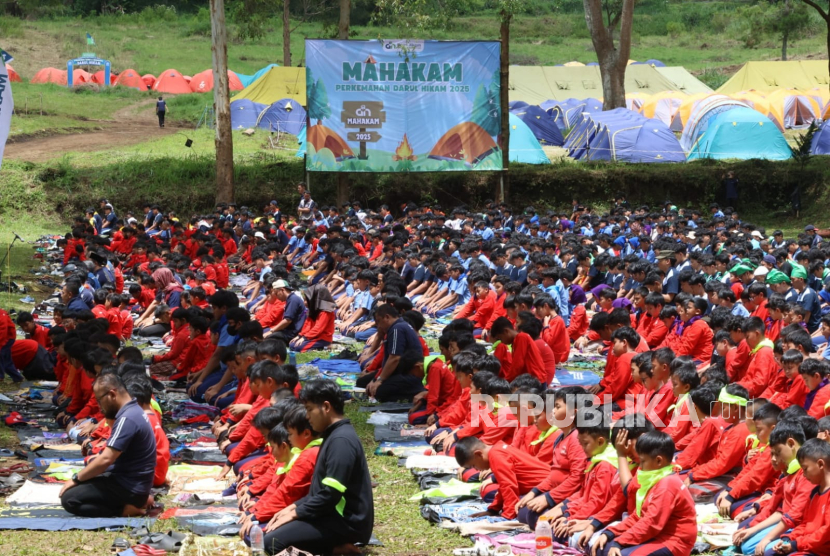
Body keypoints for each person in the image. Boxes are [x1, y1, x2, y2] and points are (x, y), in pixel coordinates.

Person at [262, 380, 374, 555]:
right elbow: (319, 492)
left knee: (271, 543)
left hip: (346, 523)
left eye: (309, 409)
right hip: (329, 514)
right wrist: (292, 507)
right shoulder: (332, 434)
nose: (307, 417)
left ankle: (338, 548)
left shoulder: (341, 441)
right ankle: (335, 548)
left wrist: (296, 512)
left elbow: (330, 495)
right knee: (271, 531)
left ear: (326, 407)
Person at [60, 373, 156, 517]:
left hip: (129, 488)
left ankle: (125, 510)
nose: (99, 406)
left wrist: (75, 478)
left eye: (99, 400)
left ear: (112, 394)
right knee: (86, 476)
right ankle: (133, 502)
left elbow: (106, 459)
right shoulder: (133, 410)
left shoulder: (127, 418)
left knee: (70, 499)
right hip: (132, 483)